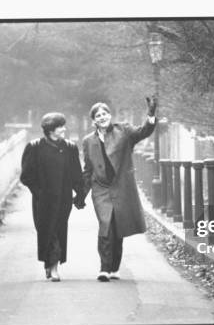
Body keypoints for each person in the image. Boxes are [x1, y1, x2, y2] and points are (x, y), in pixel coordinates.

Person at [79, 98, 157, 281]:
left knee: (117, 226)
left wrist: (151, 116)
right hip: (101, 189)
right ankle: (104, 268)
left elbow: (143, 132)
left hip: (120, 186)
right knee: (105, 225)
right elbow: (88, 169)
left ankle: (114, 267)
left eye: (104, 113)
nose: (102, 117)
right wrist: (81, 194)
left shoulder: (124, 131)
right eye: (98, 115)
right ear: (93, 121)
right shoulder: (88, 141)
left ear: (110, 115)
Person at [20, 112, 84, 282]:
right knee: (46, 231)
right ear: (50, 129)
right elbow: (26, 176)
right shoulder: (34, 147)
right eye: (60, 126)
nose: (64, 129)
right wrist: (39, 192)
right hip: (43, 201)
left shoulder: (70, 148)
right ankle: (51, 265)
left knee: (58, 230)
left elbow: (77, 174)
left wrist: (80, 194)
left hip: (63, 199)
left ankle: (53, 267)